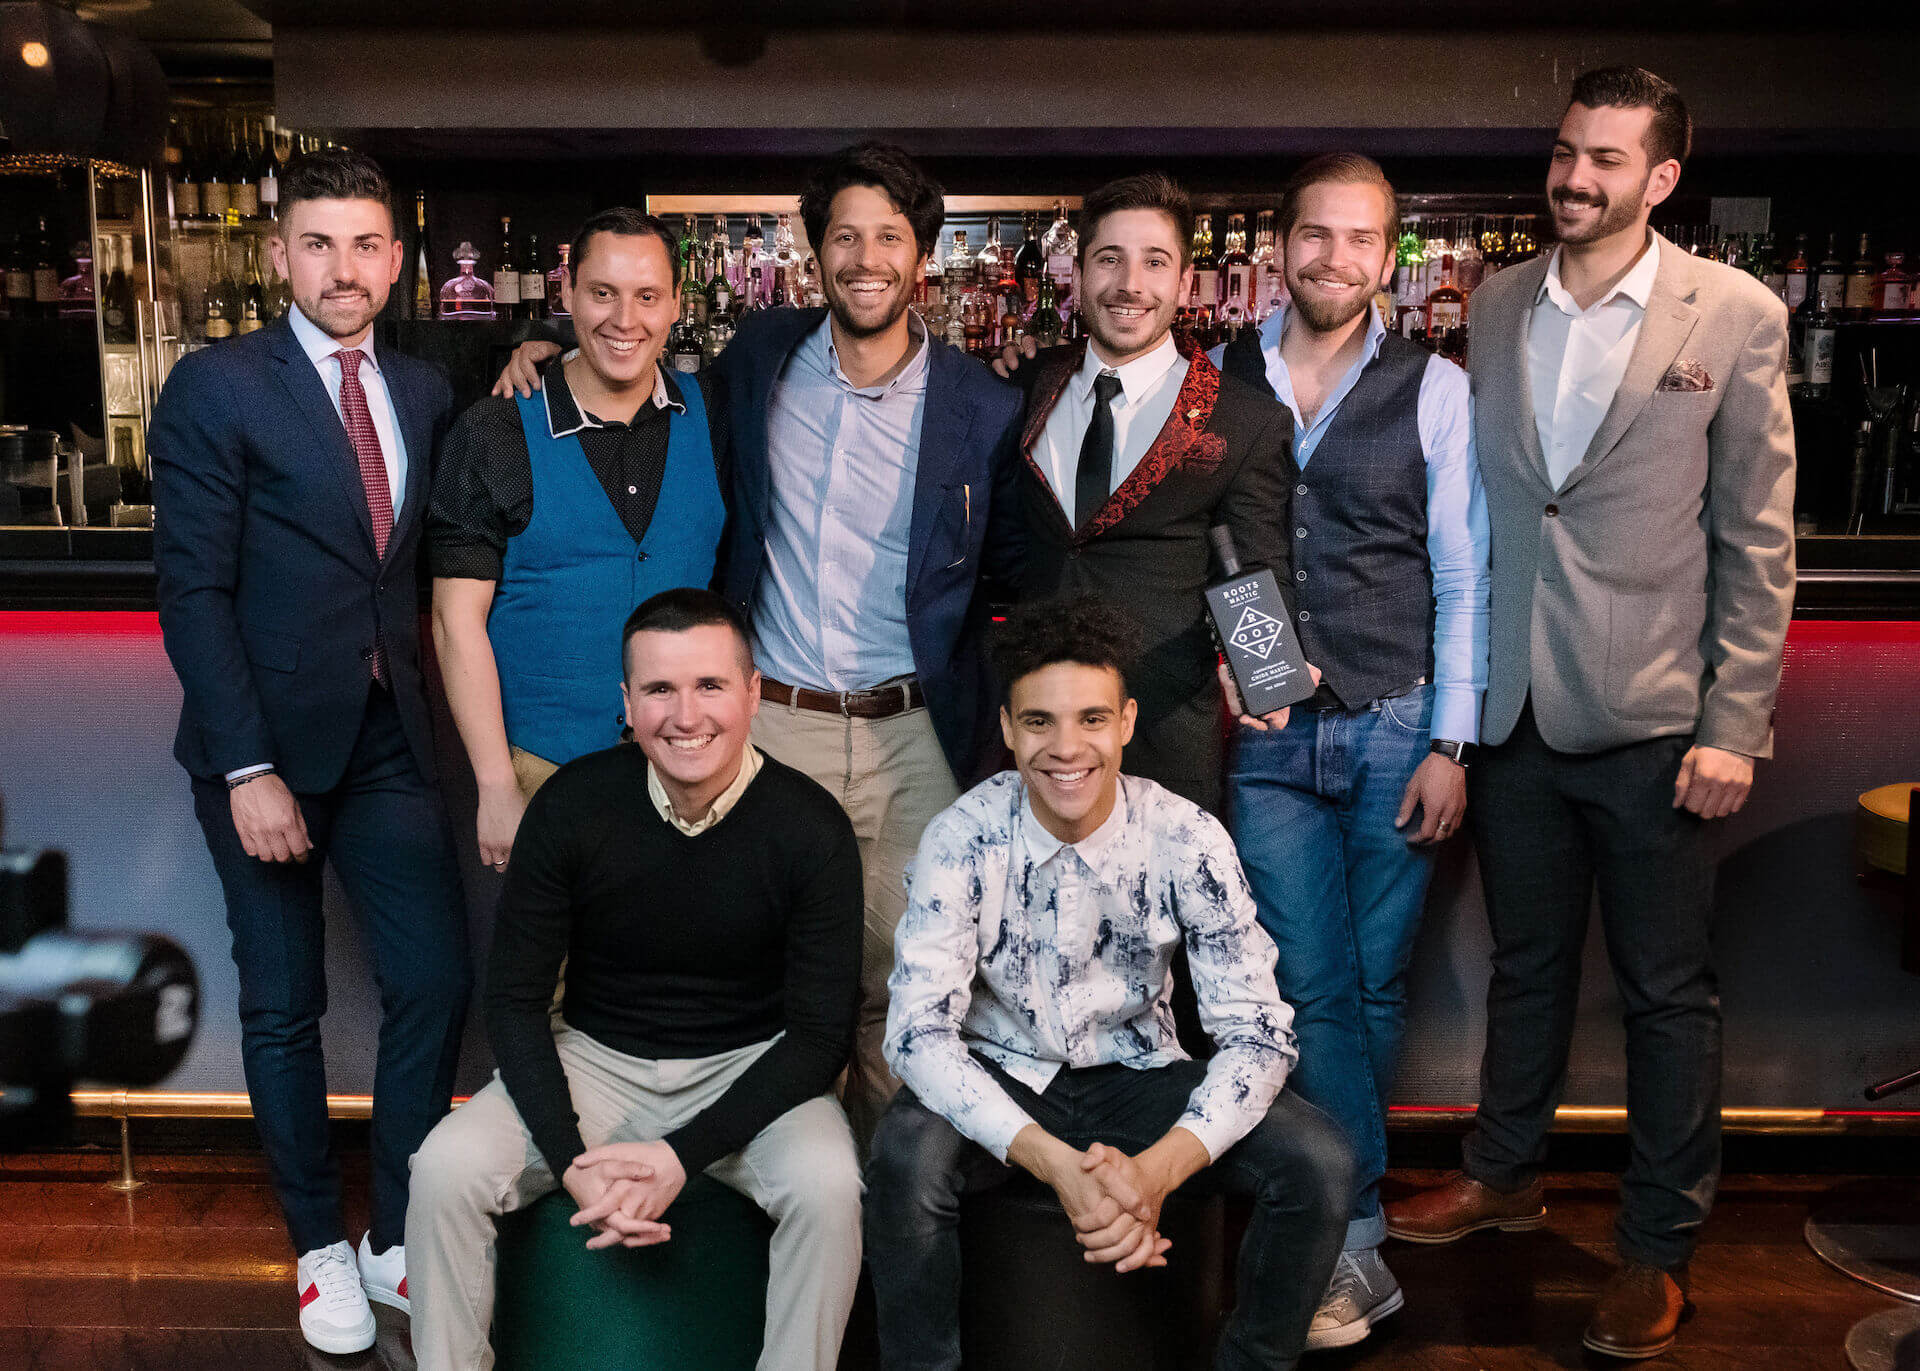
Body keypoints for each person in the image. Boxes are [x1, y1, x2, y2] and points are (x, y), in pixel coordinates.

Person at [491, 142, 1027, 1145]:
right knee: (770, 979)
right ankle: (774, 1194)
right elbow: (630, 359)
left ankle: (877, 1214)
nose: (865, 258)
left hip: (917, 733)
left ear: (922, 256)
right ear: (815, 251)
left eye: (889, 237)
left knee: (906, 989)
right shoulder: (760, 359)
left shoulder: (984, 403)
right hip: (775, 722)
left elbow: (1016, 569)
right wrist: (539, 344)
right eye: (844, 236)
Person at [1383, 68, 1796, 1361]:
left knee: (1669, 996)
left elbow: (1758, 536)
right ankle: (1504, 1176)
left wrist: (1734, 722)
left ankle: (1656, 1249)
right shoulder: (1499, 300)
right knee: (1528, 967)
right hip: (1516, 709)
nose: (1575, 177)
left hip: (1660, 720)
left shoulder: (1734, 313)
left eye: (1606, 159)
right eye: (1567, 151)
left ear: (1661, 178)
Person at [149, 148, 471, 1355]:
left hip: (391, 735)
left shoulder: (426, 389)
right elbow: (192, 591)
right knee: (285, 1006)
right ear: (280, 253)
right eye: (320, 244)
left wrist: (538, 355)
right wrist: (247, 770)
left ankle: (394, 1232)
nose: (345, 268)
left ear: (397, 259)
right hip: (265, 749)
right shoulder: (218, 385)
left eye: (367, 245)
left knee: (433, 982)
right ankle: (317, 1247)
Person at [866, 595, 1351, 1371]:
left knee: (1320, 1161)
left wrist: (1156, 1172)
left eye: (1091, 718)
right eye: (1039, 721)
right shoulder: (963, 836)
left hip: (1139, 1075)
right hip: (1006, 1074)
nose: (1066, 747)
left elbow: (1259, 1035)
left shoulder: (1186, 836)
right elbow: (918, 1034)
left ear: (1126, 721)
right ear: (1007, 728)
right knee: (904, 1154)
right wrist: (1059, 1166)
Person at [407, 588, 865, 1371]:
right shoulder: (573, 804)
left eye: (710, 685)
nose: (686, 715)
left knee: (829, 1187)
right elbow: (514, 1001)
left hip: (750, 1063)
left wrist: (681, 1155)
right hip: (596, 1059)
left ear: (753, 692)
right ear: (626, 702)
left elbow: (821, 1036)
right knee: (442, 1169)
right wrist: (569, 1157)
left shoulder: (810, 825)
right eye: (659, 689)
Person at [1205, 153, 1490, 1350]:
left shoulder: (1436, 387)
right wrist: (1255, 662)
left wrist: (1454, 741)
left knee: (1371, 988)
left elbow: (1462, 571)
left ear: (1390, 257)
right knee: (1309, 985)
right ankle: (1352, 1236)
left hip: (1396, 725)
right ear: (1279, 246)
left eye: (1361, 238)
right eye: (1314, 235)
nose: (1335, 258)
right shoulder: (1218, 376)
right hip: (1270, 737)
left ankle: (1336, 1241)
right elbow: (1215, 544)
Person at [428, 208, 728, 872]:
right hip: (543, 771)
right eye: (602, 293)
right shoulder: (495, 430)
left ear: (677, 302)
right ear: (565, 292)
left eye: (647, 296)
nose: (625, 319)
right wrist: (495, 784)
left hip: (691, 769)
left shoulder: (715, 412)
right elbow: (455, 624)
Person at [994, 172, 1297, 815]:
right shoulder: (1024, 387)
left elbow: (1254, 563)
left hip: (1165, 736)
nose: (1130, 284)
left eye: (1155, 262)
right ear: (1078, 273)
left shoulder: (1244, 420)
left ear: (1184, 282)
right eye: (1110, 259)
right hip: (1037, 734)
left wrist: (1261, 670)